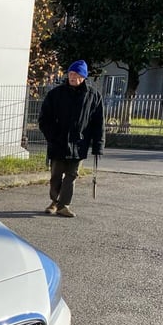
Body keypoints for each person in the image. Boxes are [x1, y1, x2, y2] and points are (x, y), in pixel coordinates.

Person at [38, 60, 105, 217]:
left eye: (76, 74)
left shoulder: (93, 96)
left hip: (79, 143)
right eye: (70, 74)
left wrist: (98, 146)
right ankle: (54, 201)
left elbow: (98, 123)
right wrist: (52, 136)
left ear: (83, 77)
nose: (72, 77)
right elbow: (44, 119)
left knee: (72, 175)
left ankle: (63, 205)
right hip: (58, 142)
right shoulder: (55, 94)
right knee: (56, 175)